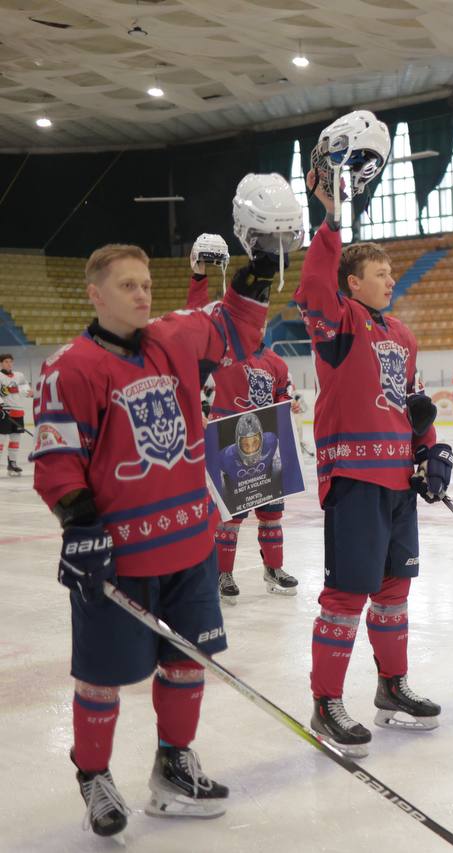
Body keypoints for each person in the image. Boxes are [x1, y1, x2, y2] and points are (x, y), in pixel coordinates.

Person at [31, 236, 275, 836]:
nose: (142, 294)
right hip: (120, 556)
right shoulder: (71, 369)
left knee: (188, 663)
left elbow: (235, 331)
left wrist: (256, 279)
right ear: (96, 296)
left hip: (190, 544)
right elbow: (58, 460)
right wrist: (80, 525)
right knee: (102, 676)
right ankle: (94, 774)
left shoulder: (173, 337)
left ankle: (173, 765)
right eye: (126, 286)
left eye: (145, 284)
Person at [301, 168, 450, 754]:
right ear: (352, 283)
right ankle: (327, 701)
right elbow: (315, 282)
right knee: (347, 594)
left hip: (398, 483)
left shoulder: (404, 334)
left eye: (392, 272)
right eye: (380, 273)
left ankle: (392, 686)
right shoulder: (337, 324)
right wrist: (334, 218)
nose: (391, 280)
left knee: (394, 589)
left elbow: (413, 405)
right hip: (356, 480)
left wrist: (431, 450)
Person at [185, 246, 299, 603]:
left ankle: (273, 569)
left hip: (267, 446)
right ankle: (223, 575)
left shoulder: (276, 362)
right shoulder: (222, 354)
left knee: (271, 515)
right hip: (229, 444)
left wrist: (287, 408)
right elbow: (195, 321)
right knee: (230, 519)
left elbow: (284, 394)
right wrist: (200, 277)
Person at [0, 353, 31, 475]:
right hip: (5, 411)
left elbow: (26, 391)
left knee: (15, 439)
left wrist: (11, 390)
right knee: (1, 439)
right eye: (6, 361)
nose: (9, 364)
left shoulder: (19, 375)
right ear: (1, 363)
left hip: (18, 411)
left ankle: (12, 463)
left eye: (10, 361)